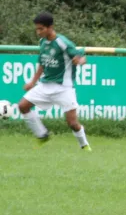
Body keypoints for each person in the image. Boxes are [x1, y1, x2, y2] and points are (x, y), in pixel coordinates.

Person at [18, 12, 92, 151]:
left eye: (41, 28)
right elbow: (42, 63)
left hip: (64, 88)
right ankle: (42, 135)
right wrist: (33, 82)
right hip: (45, 85)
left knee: (72, 123)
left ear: (50, 27)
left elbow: (82, 58)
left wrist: (79, 61)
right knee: (22, 106)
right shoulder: (42, 42)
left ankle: (84, 145)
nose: (38, 32)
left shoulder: (62, 42)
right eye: (37, 29)